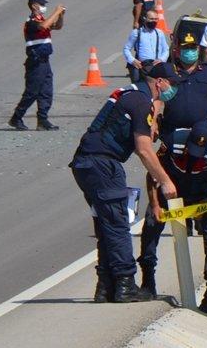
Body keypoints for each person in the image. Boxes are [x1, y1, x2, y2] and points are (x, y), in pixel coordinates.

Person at [70, 62, 181, 303]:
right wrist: (165, 181)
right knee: (118, 225)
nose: (174, 89)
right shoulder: (140, 102)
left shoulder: (131, 94)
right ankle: (125, 284)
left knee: (106, 225)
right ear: (159, 83)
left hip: (87, 164)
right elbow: (144, 150)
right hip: (103, 164)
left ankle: (105, 286)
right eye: (172, 84)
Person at [137, 120, 207, 312]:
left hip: (203, 195)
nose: (193, 154)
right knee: (151, 225)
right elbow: (152, 173)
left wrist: (206, 204)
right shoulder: (172, 140)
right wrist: (155, 205)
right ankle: (147, 281)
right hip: (171, 190)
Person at [10, 0, 65, 131]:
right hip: (35, 62)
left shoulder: (41, 19)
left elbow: (57, 26)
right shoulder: (31, 22)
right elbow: (43, 26)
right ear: (34, 6)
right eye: (42, 4)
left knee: (46, 91)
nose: (44, 6)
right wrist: (56, 11)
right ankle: (16, 117)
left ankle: (42, 120)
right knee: (32, 92)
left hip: (45, 62)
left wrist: (61, 16)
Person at [123, 10, 169, 83]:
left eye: (156, 19)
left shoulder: (159, 33)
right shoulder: (137, 33)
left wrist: (161, 59)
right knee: (138, 86)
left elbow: (166, 49)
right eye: (151, 19)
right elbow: (126, 49)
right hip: (141, 66)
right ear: (145, 19)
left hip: (156, 66)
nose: (154, 21)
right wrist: (132, 60)